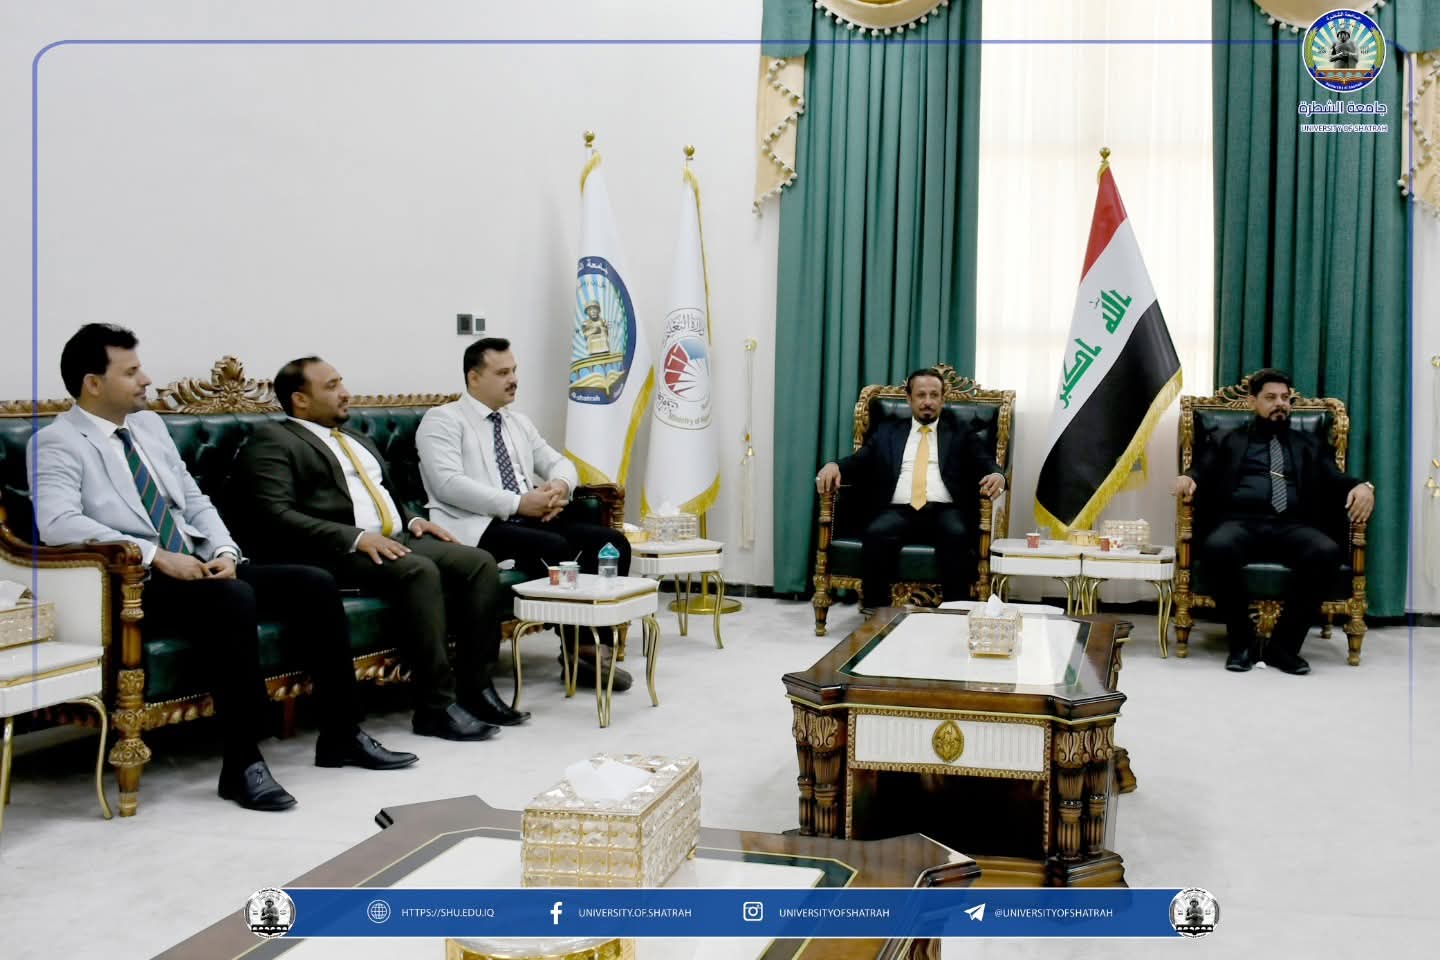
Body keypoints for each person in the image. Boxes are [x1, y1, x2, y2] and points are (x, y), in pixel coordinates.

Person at [29, 325, 416, 814]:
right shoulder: (57, 442)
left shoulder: (148, 427)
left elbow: (194, 500)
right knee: (234, 599)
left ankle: (341, 734)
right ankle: (242, 762)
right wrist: (155, 555)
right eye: (131, 372)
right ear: (93, 383)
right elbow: (58, 523)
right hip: (136, 582)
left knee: (313, 584)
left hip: (198, 563)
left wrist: (226, 551)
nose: (145, 379)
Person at [229, 356, 524, 739]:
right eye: (332, 386)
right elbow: (275, 514)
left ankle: (476, 688)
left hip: (396, 537)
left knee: (479, 563)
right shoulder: (274, 440)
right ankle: (435, 707)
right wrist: (355, 537)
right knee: (418, 570)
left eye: (341, 382)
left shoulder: (354, 438)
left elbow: (382, 493)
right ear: (300, 400)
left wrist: (413, 520)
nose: (345, 393)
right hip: (336, 551)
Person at [415, 338, 634, 691]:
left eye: (514, 370)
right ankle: (581, 651)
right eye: (503, 373)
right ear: (474, 378)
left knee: (611, 543)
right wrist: (518, 503)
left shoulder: (517, 422)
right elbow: (448, 485)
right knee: (554, 547)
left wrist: (559, 486)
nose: (513, 379)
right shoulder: (443, 420)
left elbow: (558, 462)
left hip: (528, 517)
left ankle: (593, 648)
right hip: (477, 524)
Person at [1172, 368, 1375, 675]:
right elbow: (1203, 468)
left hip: (1293, 525)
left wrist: (1362, 486)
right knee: (1217, 548)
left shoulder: (1309, 443)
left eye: (1284, 398)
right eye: (1270, 398)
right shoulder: (1228, 439)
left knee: (1326, 552)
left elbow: (1334, 476)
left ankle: (1284, 647)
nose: (1280, 403)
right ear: (1252, 401)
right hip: (1241, 522)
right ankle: (1242, 643)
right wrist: (1188, 478)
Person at [815, 367, 1006, 612]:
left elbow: (985, 460)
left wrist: (996, 474)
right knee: (876, 533)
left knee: (957, 535)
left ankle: (955, 612)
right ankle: (876, 614)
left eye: (934, 395)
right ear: (909, 398)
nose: (928, 402)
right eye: (921, 395)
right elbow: (860, 461)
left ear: (943, 399)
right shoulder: (888, 431)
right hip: (899, 509)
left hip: (944, 510)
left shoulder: (960, 431)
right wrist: (834, 465)